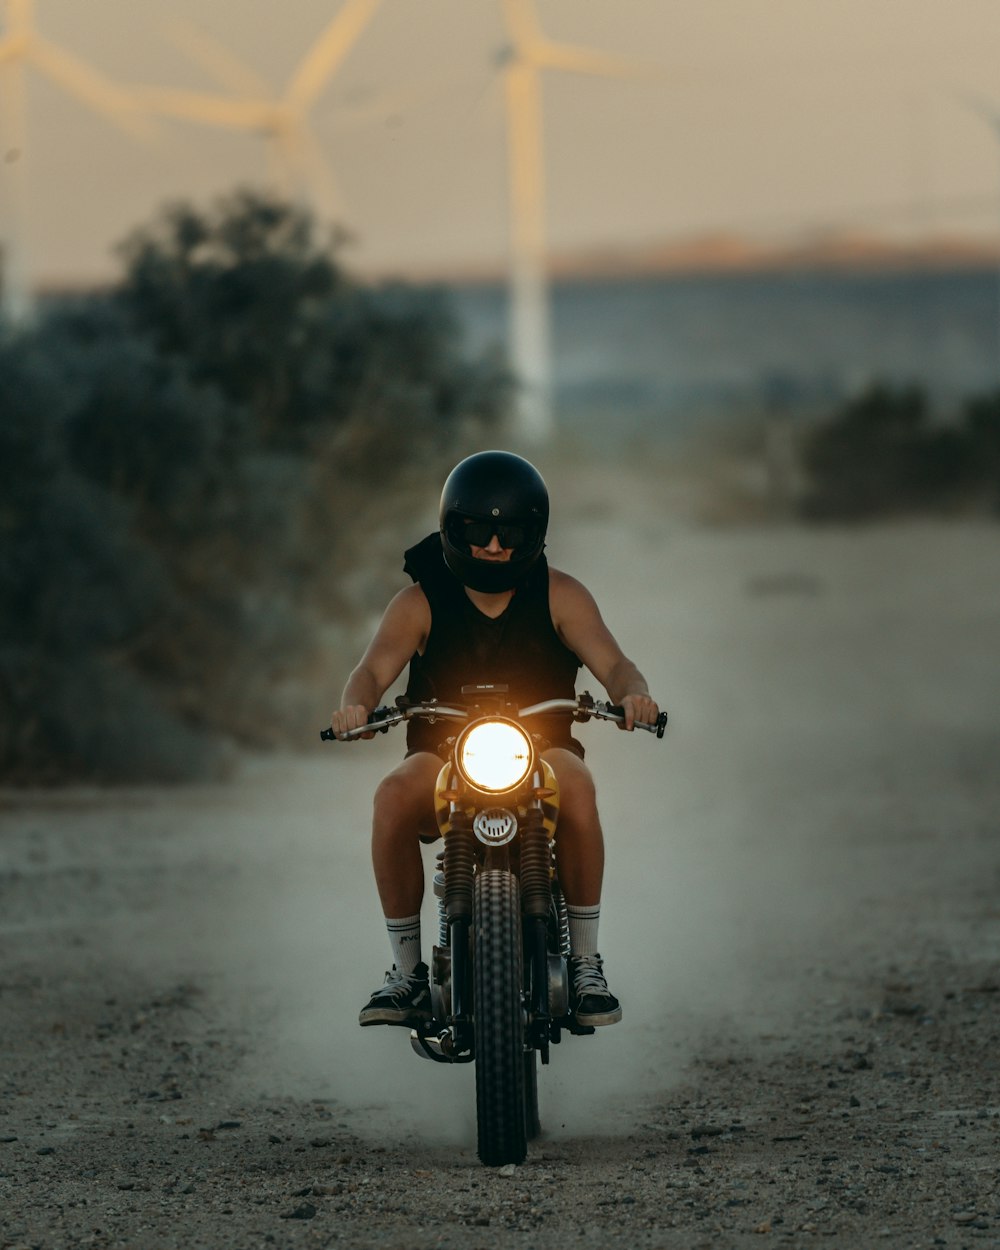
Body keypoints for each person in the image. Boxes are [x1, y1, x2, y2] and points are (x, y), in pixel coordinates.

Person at [330, 450, 660, 1031]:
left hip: (544, 748)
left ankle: (585, 964)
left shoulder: (563, 595)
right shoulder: (418, 602)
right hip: (438, 754)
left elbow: (616, 665)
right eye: (478, 529)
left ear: (534, 534)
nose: (493, 546)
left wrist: (635, 694)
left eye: (510, 531)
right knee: (390, 797)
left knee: (578, 785)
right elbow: (372, 670)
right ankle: (407, 973)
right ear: (452, 528)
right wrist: (355, 704)